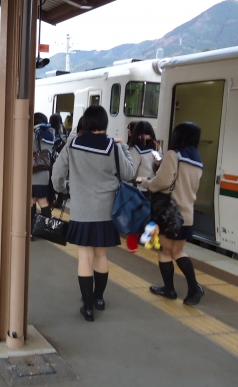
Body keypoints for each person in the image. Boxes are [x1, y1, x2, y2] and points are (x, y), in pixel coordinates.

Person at [52, 105, 135, 321]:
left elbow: (57, 173)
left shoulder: (73, 143)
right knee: (101, 255)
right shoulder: (112, 146)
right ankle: (99, 298)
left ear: (86, 123)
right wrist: (123, 147)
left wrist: (62, 189)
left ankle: (87, 306)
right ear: (105, 124)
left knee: (85, 257)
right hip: (106, 212)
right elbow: (129, 173)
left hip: (81, 211)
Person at [138, 122, 205, 306]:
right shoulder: (197, 159)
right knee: (178, 251)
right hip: (187, 215)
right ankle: (193, 288)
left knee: (165, 251)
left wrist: (146, 183)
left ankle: (170, 289)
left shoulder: (173, 155)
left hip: (168, 213)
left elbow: (163, 182)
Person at [125, 121, 160, 253]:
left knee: (138, 215)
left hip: (140, 189)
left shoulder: (136, 150)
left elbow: (131, 171)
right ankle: (151, 239)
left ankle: (137, 240)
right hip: (155, 187)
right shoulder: (156, 147)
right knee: (150, 214)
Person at [31, 113, 54, 224]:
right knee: (44, 201)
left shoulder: (34, 134)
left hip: (32, 171)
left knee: (31, 201)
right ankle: (47, 228)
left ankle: (31, 230)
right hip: (44, 173)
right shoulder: (50, 134)